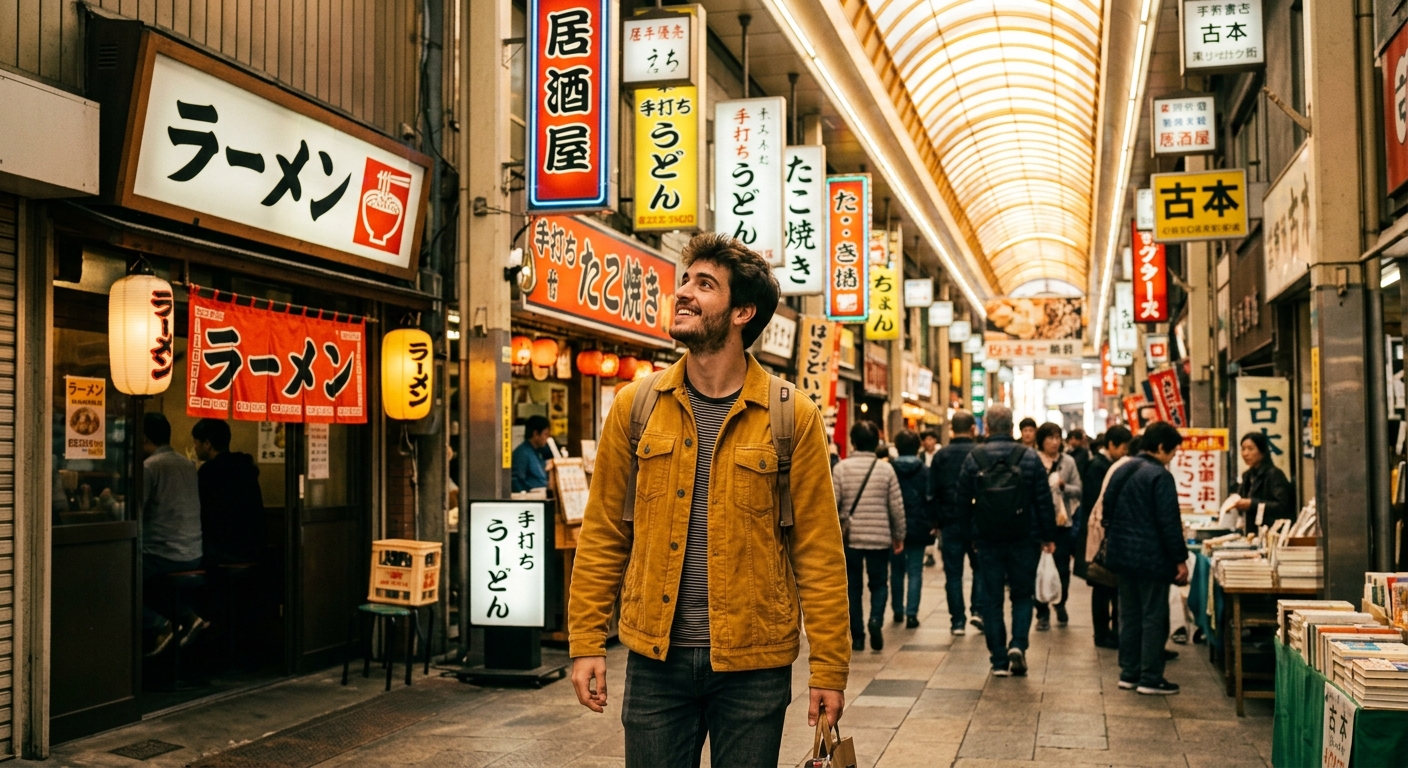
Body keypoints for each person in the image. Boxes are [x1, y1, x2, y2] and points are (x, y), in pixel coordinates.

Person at [567, 233, 849, 767]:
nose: (684, 293)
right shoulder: (637, 405)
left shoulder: (792, 416)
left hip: (754, 666)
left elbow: (818, 552)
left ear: (743, 311)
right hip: (655, 661)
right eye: (685, 280)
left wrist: (829, 668)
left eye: (705, 284)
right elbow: (605, 532)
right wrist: (586, 641)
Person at [955, 405, 1057, 677]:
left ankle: (998, 659)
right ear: (1012, 427)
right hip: (1023, 537)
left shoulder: (974, 458)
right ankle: (1018, 645)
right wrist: (1048, 536)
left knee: (992, 598)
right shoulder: (1029, 457)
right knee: (1022, 595)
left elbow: (962, 503)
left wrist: (969, 539)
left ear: (986, 427)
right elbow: (1043, 500)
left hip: (987, 539)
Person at [1101, 421, 1190, 695]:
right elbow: (1169, 522)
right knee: (1153, 615)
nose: (1172, 458)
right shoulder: (1159, 476)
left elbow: (1106, 513)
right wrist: (1180, 558)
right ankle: (1150, 677)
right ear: (1161, 447)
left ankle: (1129, 672)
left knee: (1129, 614)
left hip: (1122, 556)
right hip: (1151, 558)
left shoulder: (1122, 469)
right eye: (1172, 452)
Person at [141, 412, 207, 656]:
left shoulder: (149, 467)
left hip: (163, 555)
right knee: (152, 584)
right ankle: (188, 617)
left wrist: (111, 503)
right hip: (193, 553)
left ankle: (161, 626)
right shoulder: (187, 464)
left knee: (119, 576)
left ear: (144, 437)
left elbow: (136, 509)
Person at [835, 420, 904, 651]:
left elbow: (832, 504)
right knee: (879, 583)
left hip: (851, 538)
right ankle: (875, 619)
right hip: (879, 537)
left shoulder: (841, 468)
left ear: (853, 442)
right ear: (876, 443)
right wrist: (899, 534)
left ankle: (858, 635)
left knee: (853, 586)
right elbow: (896, 506)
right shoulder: (886, 469)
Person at [930, 410, 984, 635]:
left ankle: (957, 622)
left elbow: (931, 492)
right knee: (979, 569)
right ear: (973, 428)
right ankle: (978, 611)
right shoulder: (980, 454)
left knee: (953, 574)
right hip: (976, 522)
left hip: (949, 522)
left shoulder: (941, 456)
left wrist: (934, 522)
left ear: (951, 429)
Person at [1080, 425, 1132, 649]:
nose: (1125, 452)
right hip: (1099, 534)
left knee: (1107, 585)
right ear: (1110, 445)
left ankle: (1110, 632)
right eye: (1122, 447)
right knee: (1101, 585)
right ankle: (1102, 634)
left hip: (1103, 533)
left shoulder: (1107, 465)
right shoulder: (1098, 466)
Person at [191, 419, 265, 565]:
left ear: (207, 444)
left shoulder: (209, 471)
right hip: (254, 548)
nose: (194, 447)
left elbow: (203, 511)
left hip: (223, 551)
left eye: (195, 442)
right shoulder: (245, 465)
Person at [1033, 422, 1080, 631]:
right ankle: (1041, 611)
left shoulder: (1068, 462)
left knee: (1062, 567)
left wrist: (1063, 486)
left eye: (1057, 437)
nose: (1054, 442)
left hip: (1062, 522)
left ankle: (1060, 603)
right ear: (1041, 440)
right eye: (1050, 438)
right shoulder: (1032, 460)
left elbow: (1078, 490)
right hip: (1037, 523)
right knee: (1037, 567)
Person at [888, 430, 932, 628]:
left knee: (896, 570)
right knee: (915, 571)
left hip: (893, 527)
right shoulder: (924, 471)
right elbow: (930, 499)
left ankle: (898, 610)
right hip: (918, 526)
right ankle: (911, 614)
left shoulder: (890, 469)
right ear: (918, 447)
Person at [1234, 432, 1296, 529]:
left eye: (1250, 449)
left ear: (1262, 452)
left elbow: (1283, 506)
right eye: (1243, 449)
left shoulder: (1274, 474)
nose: (1245, 453)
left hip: (1271, 531)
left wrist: (1252, 504)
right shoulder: (1247, 475)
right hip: (1251, 531)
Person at [511, 415, 551, 493]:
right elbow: (516, 480)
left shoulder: (539, 451)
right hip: (531, 498)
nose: (547, 438)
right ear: (536, 434)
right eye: (546, 434)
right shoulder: (522, 453)